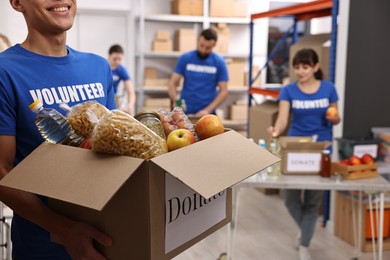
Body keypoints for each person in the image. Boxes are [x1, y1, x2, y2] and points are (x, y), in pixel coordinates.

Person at [0, 1, 115, 259]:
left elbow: (113, 151)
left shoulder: (99, 67)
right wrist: (64, 230)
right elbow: (2, 171)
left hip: (108, 240)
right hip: (42, 247)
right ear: (18, 3)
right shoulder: (5, 72)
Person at [268, 48, 340, 260]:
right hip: (295, 148)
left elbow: (336, 117)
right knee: (290, 199)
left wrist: (334, 118)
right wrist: (275, 131)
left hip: (321, 149)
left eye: (305, 67)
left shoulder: (328, 89)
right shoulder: (289, 90)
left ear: (316, 67)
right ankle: (306, 230)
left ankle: (304, 244)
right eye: (297, 67)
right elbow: (282, 119)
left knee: (312, 201)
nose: (300, 71)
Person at [168, 28, 228, 117]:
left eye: (208, 48)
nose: (203, 50)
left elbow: (223, 91)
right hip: (185, 112)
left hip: (208, 114)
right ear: (198, 39)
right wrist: (176, 99)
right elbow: (172, 83)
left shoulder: (219, 62)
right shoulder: (185, 58)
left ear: (214, 45)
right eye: (201, 45)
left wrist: (207, 110)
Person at [108, 44, 136, 115]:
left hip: (113, 98)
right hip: (102, 97)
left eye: (119, 59)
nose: (117, 62)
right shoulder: (103, 67)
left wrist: (130, 105)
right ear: (109, 56)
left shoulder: (121, 70)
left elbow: (130, 91)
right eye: (114, 59)